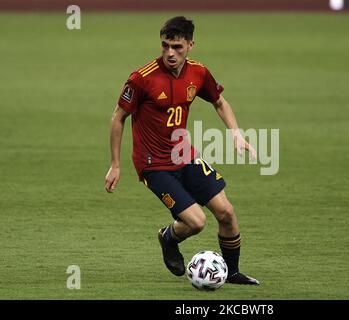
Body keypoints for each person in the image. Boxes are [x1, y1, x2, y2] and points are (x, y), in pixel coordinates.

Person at [104, 16, 259, 285]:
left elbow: (219, 102)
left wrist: (236, 133)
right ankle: (168, 237)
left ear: (190, 44)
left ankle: (232, 273)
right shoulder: (142, 78)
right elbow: (118, 118)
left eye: (177, 47)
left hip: (184, 156)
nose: (169, 53)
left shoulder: (198, 73)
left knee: (227, 213)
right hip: (154, 164)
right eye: (165, 46)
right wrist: (115, 164)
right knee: (196, 223)